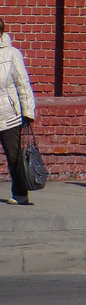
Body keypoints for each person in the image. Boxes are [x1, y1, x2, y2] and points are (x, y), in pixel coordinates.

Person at [0, 18, 35, 205]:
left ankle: (20, 193)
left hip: (9, 116)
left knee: (14, 156)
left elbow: (23, 83)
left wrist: (28, 111)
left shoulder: (12, 54)